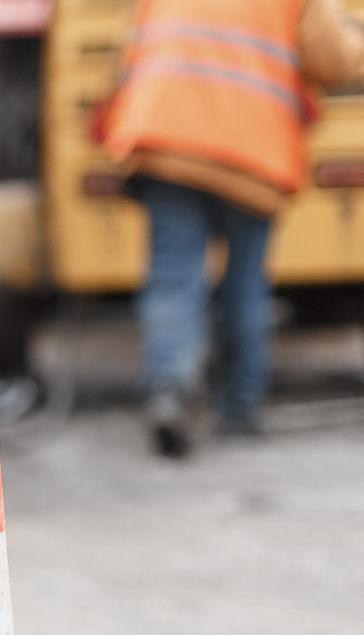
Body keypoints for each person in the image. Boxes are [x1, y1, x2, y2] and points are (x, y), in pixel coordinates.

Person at [101, 0, 364, 456]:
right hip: (252, 148)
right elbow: (336, 60)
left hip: (168, 136)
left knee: (173, 276)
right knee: (245, 282)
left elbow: (128, 53)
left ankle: (170, 389)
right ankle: (239, 407)